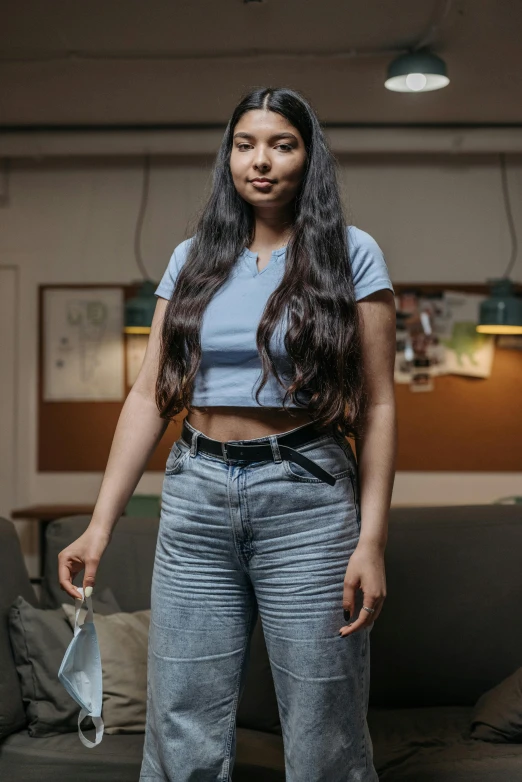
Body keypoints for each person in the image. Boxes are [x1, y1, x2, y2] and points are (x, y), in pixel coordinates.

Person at [58, 86, 397, 782]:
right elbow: (151, 393)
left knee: (324, 731)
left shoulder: (351, 253)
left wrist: (371, 542)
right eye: (246, 145)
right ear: (229, 156)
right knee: (182, 722)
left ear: (309, 156)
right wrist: (100, 525)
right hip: (197, 493)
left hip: (307, 498)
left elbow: (380, 408)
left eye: (282, 144)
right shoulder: (192, 258)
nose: (261, 161)